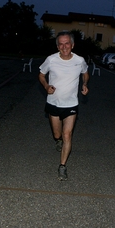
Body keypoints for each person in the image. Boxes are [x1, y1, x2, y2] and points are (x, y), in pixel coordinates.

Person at [39, 31, 89, 181]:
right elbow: (41, 75)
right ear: (57, 46)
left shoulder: (79, 60)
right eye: (61, 43)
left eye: (67, 43)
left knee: (67, 135)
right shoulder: (51, 59)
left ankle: (62, 166)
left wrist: (85, 84)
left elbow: (85, 73)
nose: (64, 46)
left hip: (71, 104)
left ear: (72, 45)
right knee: (57, 135)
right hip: (53, 102)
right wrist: (46, 86)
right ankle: (58, 140)